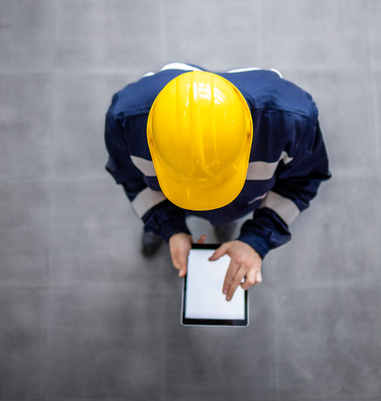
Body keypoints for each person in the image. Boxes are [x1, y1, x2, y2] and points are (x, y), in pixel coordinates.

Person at [104, 63, 330, 301]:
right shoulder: (125, 122)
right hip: (204, 199)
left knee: (226, 219)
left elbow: (303, 180)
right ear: (149, 138)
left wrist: (257, 239)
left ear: (249, 136)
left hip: (236, 202)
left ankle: (222, 223)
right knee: (164, 224)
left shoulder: (292, 121)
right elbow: (129, 176)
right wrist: (169, 227)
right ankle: (165, 227)